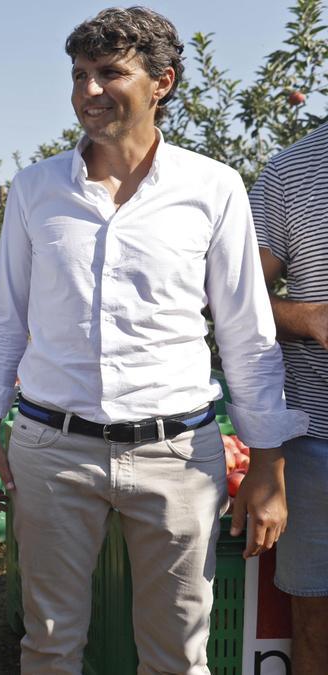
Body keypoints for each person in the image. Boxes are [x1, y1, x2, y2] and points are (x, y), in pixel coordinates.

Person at [0, 7, 308, 674]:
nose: (89, 90)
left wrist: (267, 464)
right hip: (52, 447)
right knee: (47, 644)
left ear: (163, 82)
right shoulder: (37, 190)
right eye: (79, 74)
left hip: (175, 453)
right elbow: (5, 317)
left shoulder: (212, 188)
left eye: (109, 73)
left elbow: (246, 330)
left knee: (178, 653)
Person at [250, 126, 328, 675]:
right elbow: (230, 296)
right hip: (318, 442)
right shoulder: (291, 172)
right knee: (315, 623)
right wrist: (307, 317)